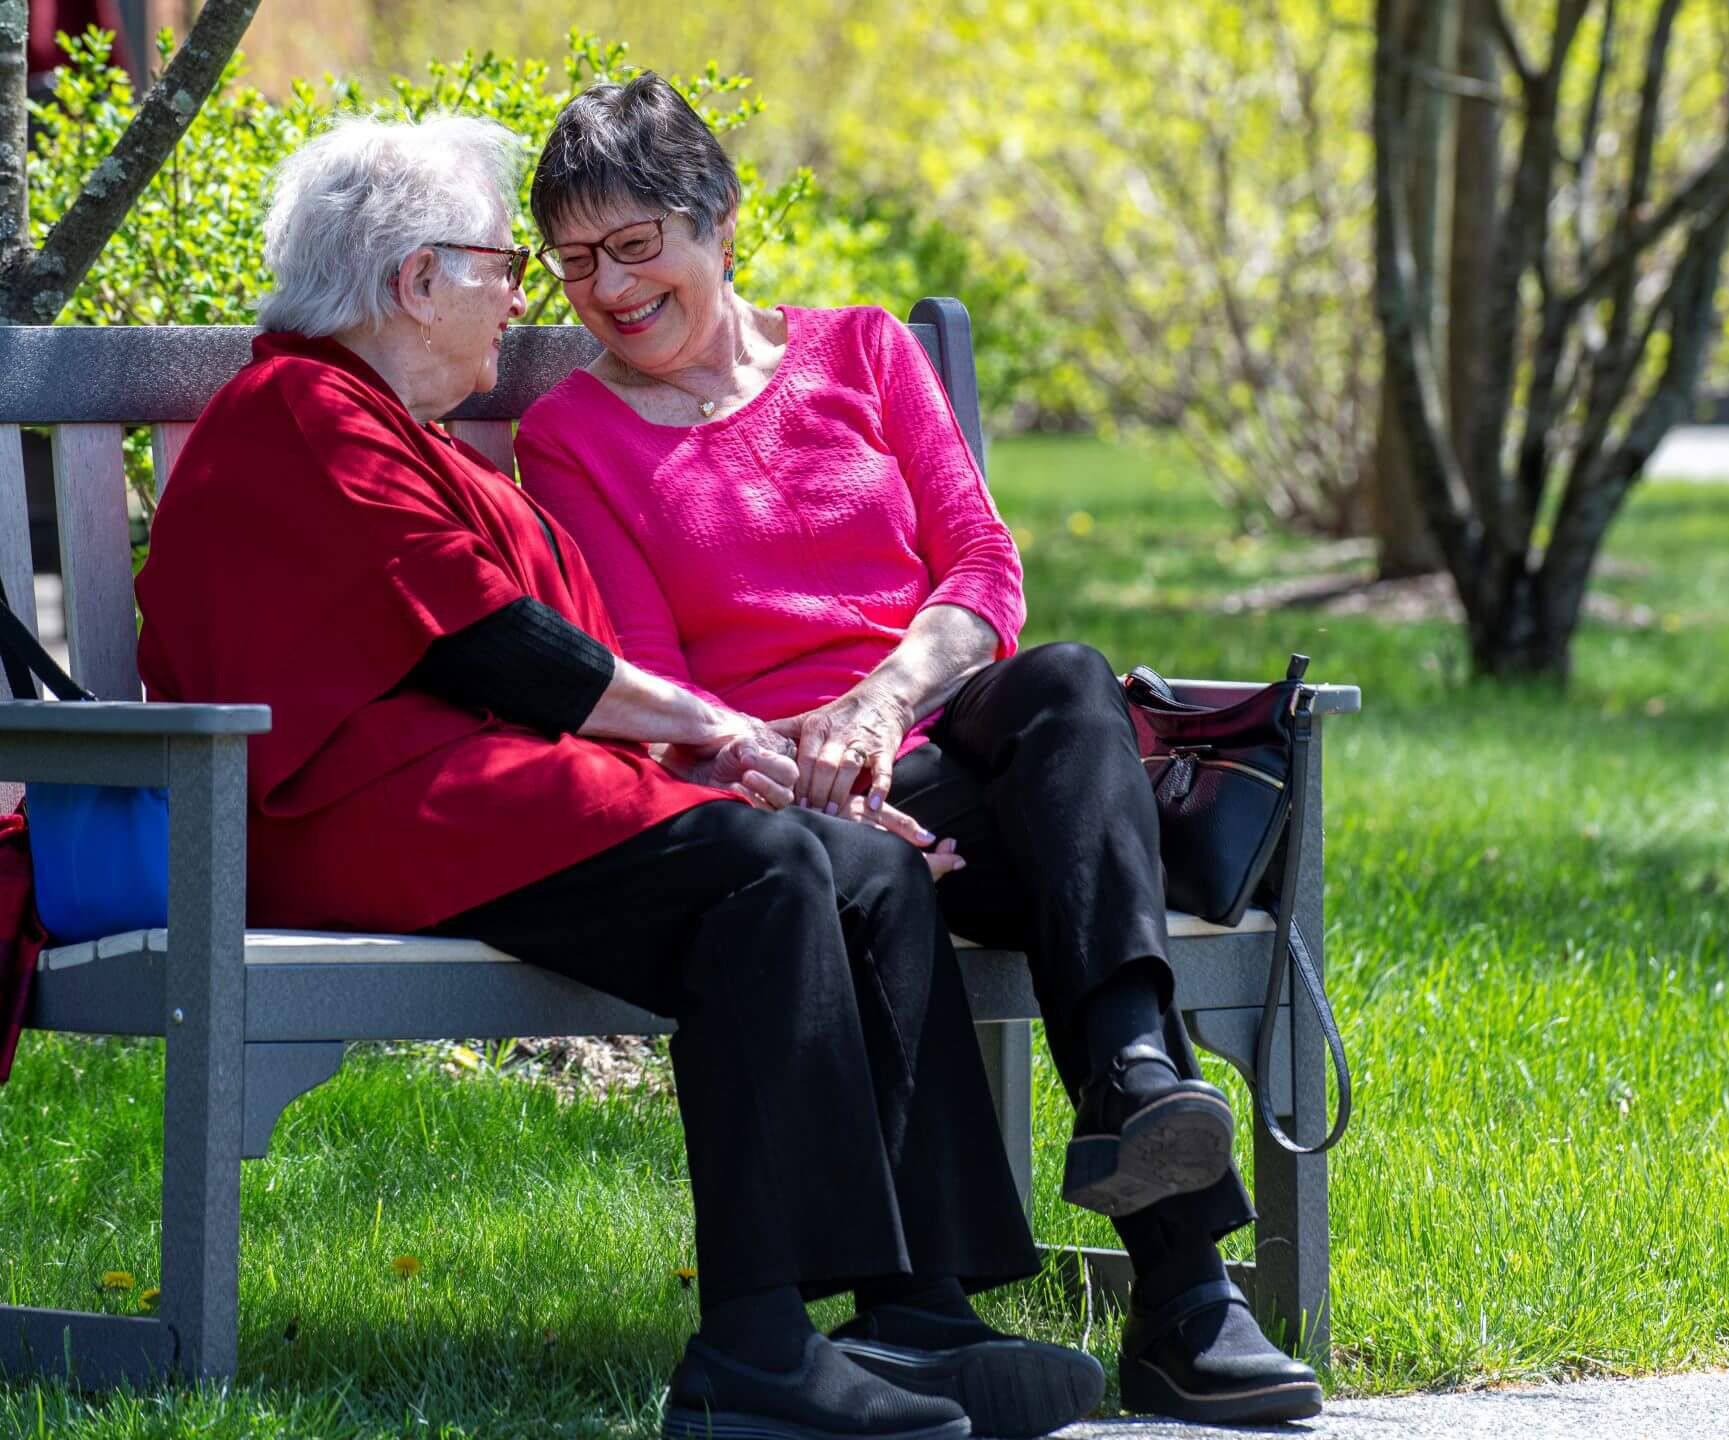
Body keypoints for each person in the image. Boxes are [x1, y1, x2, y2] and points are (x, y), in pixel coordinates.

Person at [131, 114, 1103, 1440]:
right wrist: (735, 742)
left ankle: (920, 1314)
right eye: (503, 267)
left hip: (485, 796)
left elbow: (562, 662)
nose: (523, 300)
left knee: (865, 870)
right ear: (418, 281)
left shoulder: (396, 427)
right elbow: (500, 641)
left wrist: (740, 765)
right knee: (769, 876)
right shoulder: (302, 409)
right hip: (354, 812)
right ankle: (755, 1352)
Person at [512, 78, 1324, 1427]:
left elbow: (983, 569)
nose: (606, 286)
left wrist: (882, 708)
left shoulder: (865, 352)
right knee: (1059, 826)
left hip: (954, 754)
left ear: (714, 220)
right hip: (791, 799)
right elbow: (662, 682)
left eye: (634, 244)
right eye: (575, 263)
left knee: (1066, 684)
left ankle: (1135, 1088)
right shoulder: (572, 436)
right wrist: (823, 779)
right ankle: (1184, 1299)